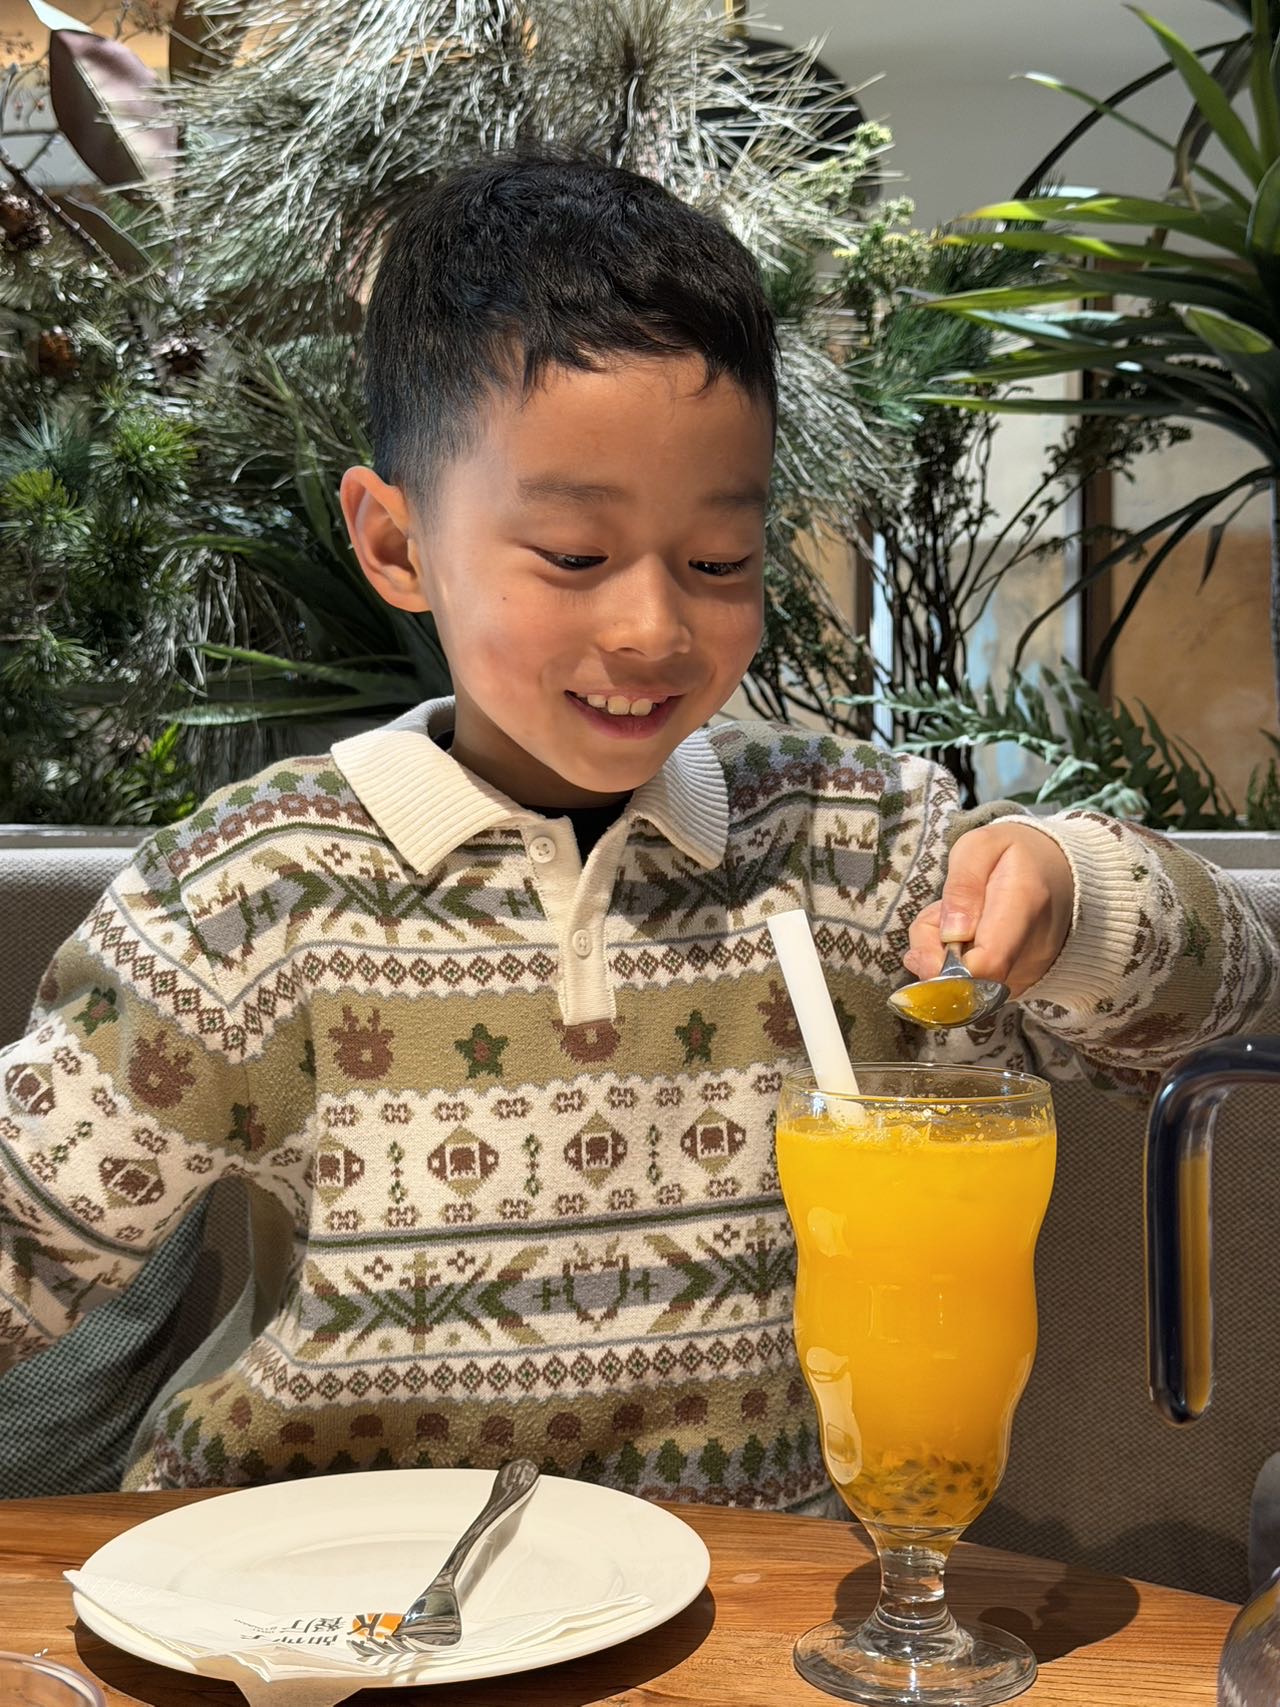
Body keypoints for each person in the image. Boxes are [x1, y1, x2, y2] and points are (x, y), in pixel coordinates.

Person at [0, 152, 1274, 1510]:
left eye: (719, 563)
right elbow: (23, 1242)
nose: (655, 628)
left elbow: (1223, 1015)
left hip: (753, 1587)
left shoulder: (857, 846)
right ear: (397, 544)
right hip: (321, 1582)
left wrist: (1073, 896)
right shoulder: (251, 892)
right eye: (575, 556)